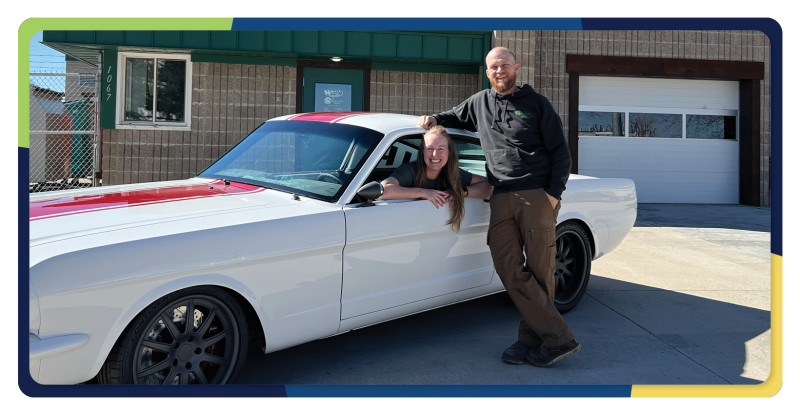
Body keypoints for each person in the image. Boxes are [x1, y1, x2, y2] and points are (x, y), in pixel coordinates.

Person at [417, 46, 579, 367]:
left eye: (505, 65)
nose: (499, 71)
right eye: (493, 67)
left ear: (516, 68)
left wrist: (552, 194)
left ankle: (533, 340)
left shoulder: (537, 104)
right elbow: (452, 116)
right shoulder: (480, 102)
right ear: (487, 72)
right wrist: (433, 119)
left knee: (540, 271)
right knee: (507, 266)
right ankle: (556, 337)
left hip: (535, 194)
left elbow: (561, 153)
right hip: (501, 195)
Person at [380, 125, 492, 232]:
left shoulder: (453, 173)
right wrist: (424, 193)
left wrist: (461, 192)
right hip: (406, 228)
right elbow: (382, 190)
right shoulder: (410, 171)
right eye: (430, 148)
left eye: (441, 149)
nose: (435, 154)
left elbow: (488, 185)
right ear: (422, 151)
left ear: (449, 152)